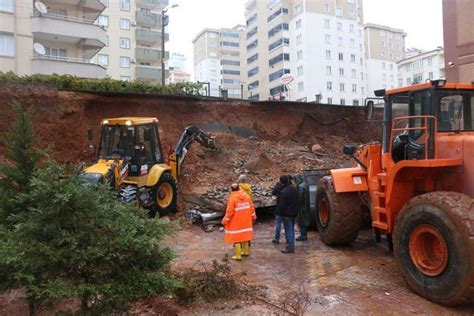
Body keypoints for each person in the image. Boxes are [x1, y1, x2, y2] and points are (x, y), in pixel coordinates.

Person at [221, 183, 257, 260]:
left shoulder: (232, 199)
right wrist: (253, 217)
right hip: (246, 220)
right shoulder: (246, 196)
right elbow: (252, 208)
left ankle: (238, 255)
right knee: (245, 236)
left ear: (231, 189)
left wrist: (224, 221)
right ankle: (245, 252)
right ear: (239, 188)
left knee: (236, 238)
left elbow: (229, 212)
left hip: (236, 222)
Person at [274, 175, 298, 253]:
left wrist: (280, 213)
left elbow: (282, 206)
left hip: (286, 214)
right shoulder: (294, 189)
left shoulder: (283, 192)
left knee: (288, 230)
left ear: (281, 182)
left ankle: (290, 248)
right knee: (291, 230)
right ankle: (292, 246)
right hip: (293, 212)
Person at [294, 174, 310, 241]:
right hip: (306, 206)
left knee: (302, 222)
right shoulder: (305, 184)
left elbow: (300, 198)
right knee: (305, 221)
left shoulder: (300, 186)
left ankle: (303, 236)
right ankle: (304, 235)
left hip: (302, 207)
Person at [271, 175, 286, 244]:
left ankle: (277, 238)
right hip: (287, 209)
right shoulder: (290, 186)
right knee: (288, 224)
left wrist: (277, 184)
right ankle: (288, 238)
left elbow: (273, 192)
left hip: (279, 208)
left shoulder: (279, 185)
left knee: (278, 224)